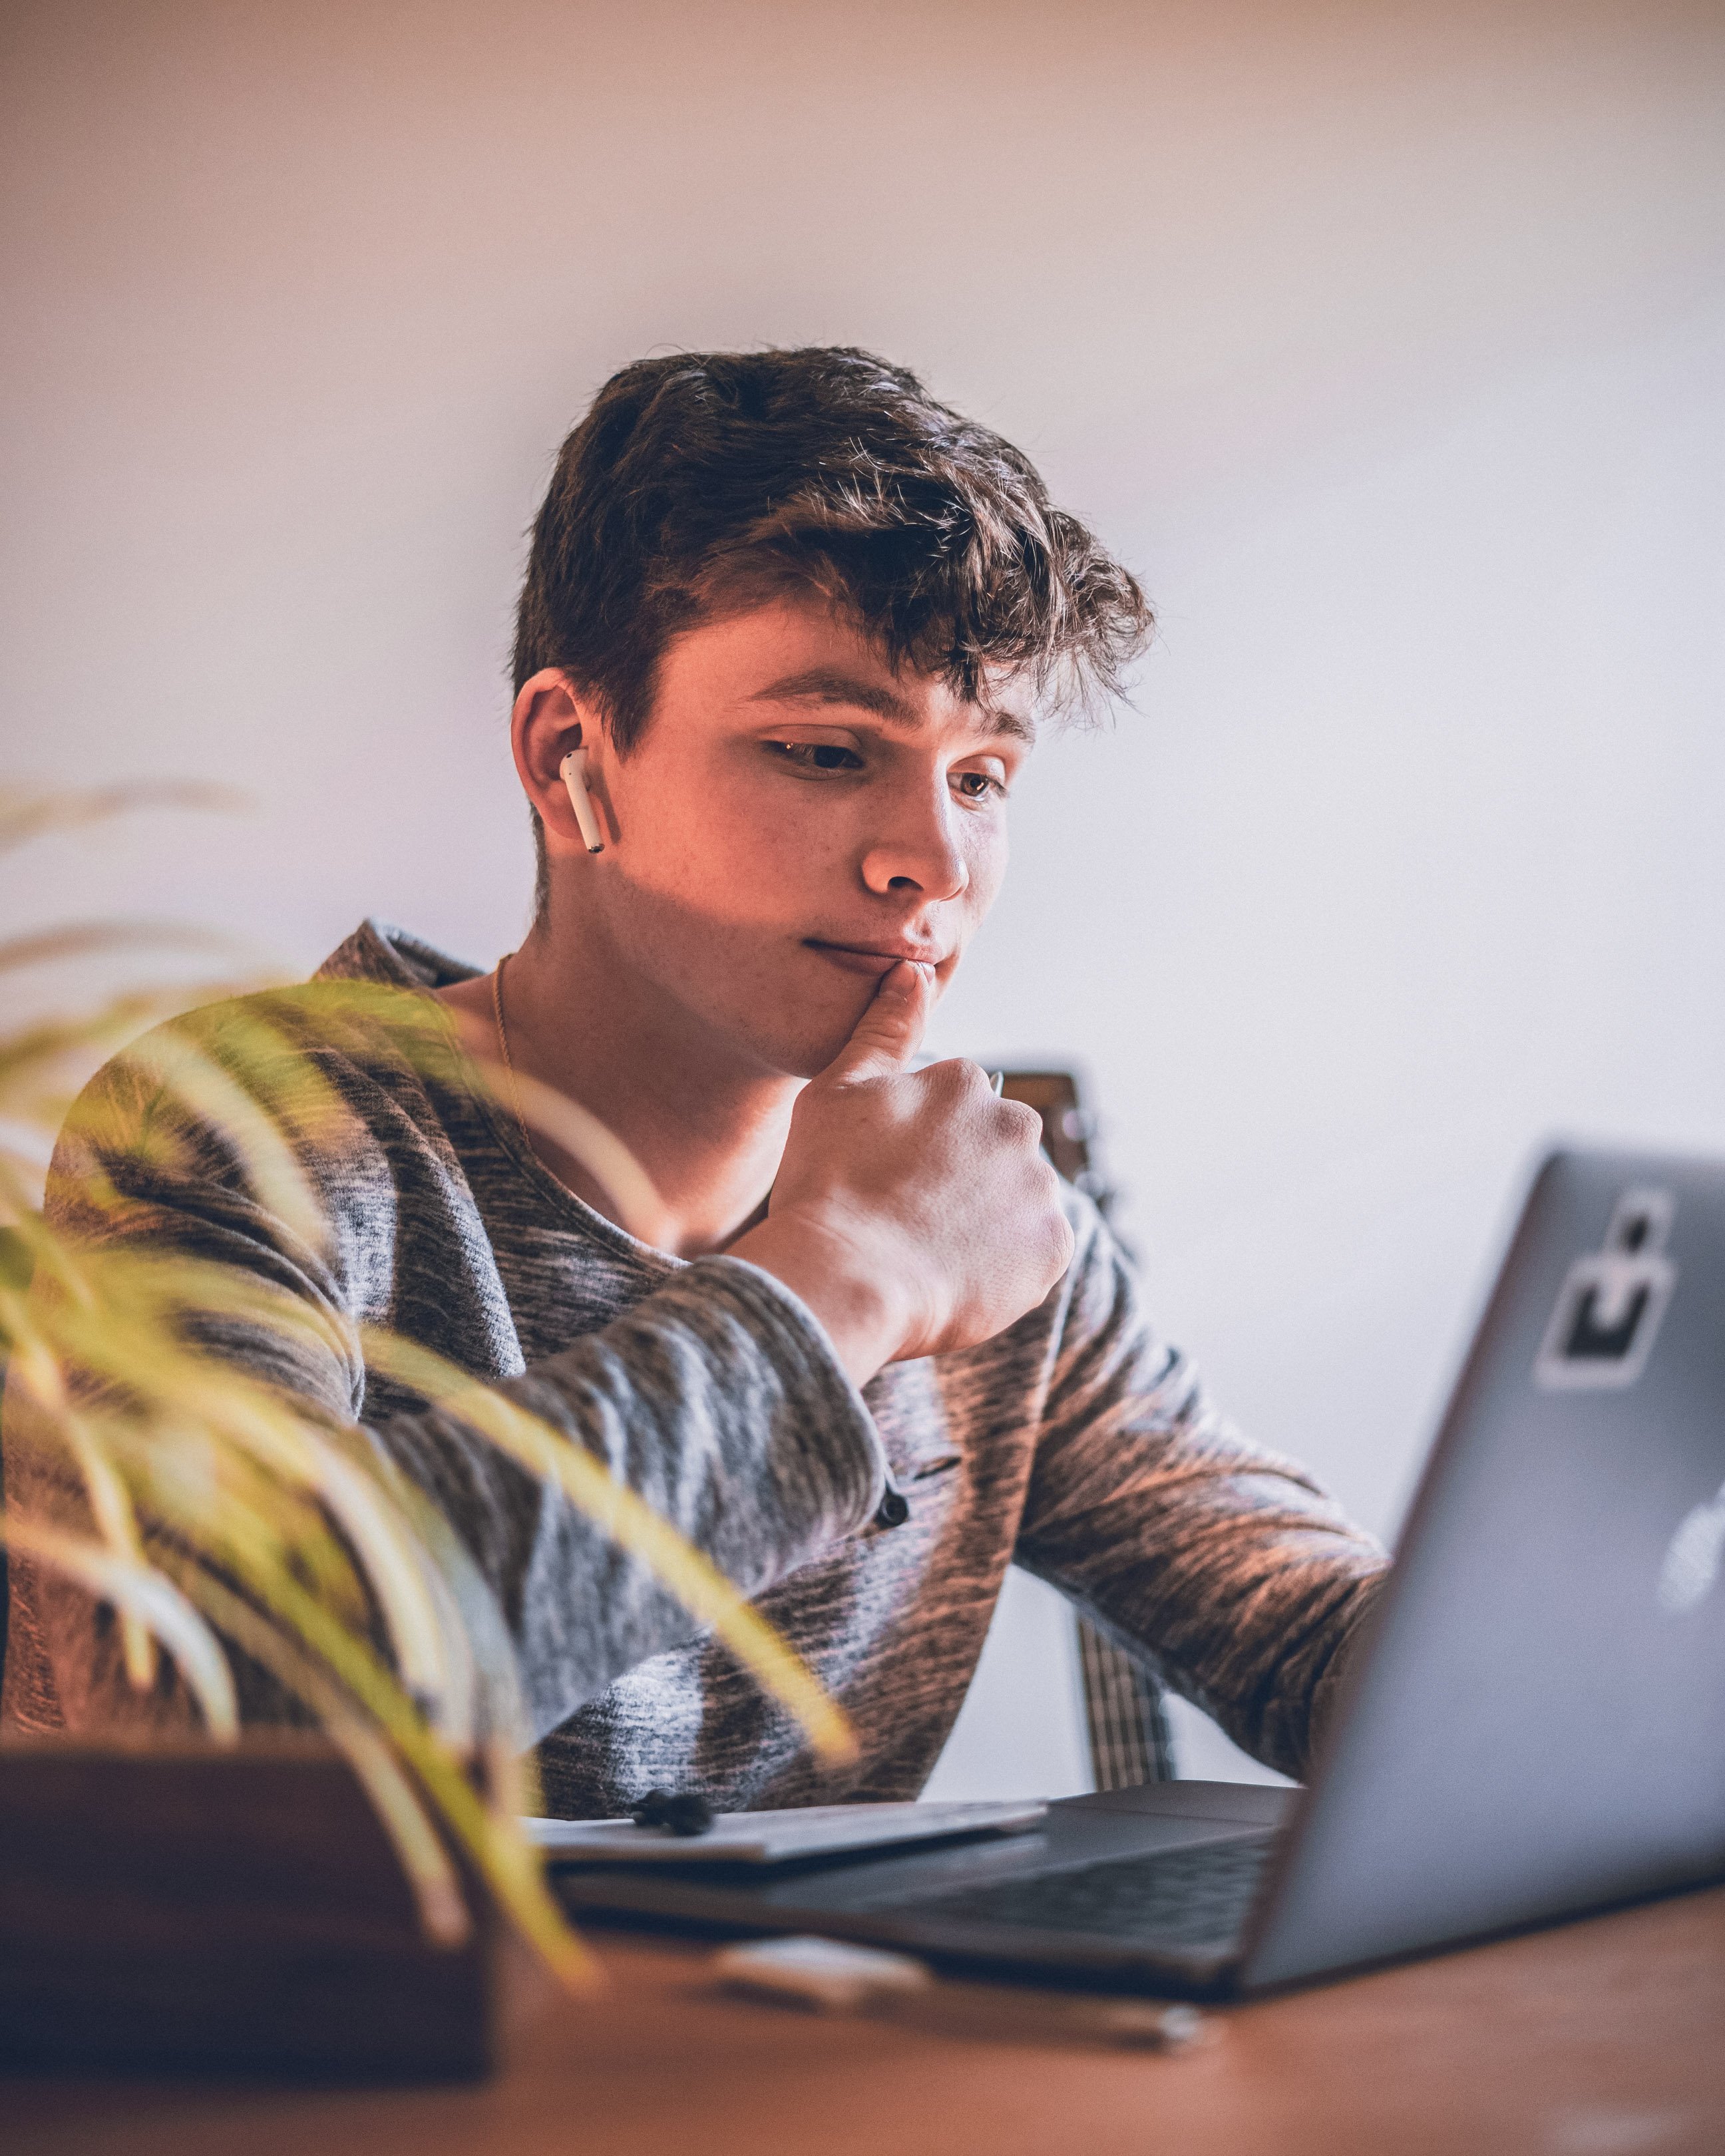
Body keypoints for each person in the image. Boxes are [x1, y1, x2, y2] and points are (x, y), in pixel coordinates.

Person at [3, 347, 1385, 1811]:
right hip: (298, 2041)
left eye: (981, 776)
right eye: (824, 750)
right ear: (569, 757)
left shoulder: (972, 1212)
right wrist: (838, 1283)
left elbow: (1307, 1637)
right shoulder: (247, 1134)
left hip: (793, 2038)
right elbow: (214, 1713)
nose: (933, 860)